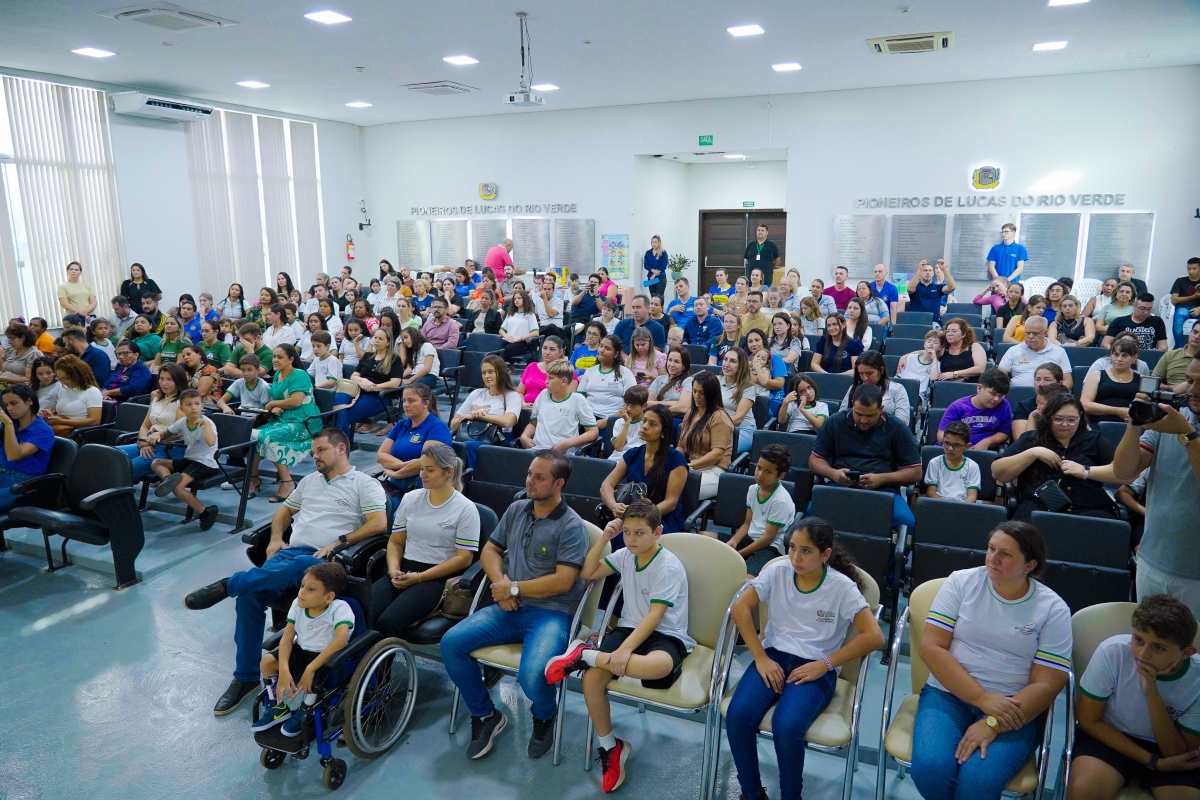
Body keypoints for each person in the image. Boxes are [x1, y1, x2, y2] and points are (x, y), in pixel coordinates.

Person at [183, 428, 387, 715]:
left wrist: (339, 542)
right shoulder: (310, 481)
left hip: (329, 560)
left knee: (300, 566)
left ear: (341, 449)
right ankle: (245, 677)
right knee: (249, 597)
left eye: (321, 450)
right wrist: (276, 538)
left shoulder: (364, 483)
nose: (315, 456)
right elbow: (284, 512)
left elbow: (379, 523)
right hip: (292, 554)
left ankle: (228, 584)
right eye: (313, 452)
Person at [439, 449, 589, 761]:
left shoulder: (571, 526)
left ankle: (545, 717)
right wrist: (502, 586)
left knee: (532, 675)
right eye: (529, 473)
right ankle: (486, 715)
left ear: (558, 484)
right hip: (511, 606)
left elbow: (564, 581)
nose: (529, 481)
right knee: (451, 644)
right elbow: (491, 551)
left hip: (552, 613)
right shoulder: (517, 508)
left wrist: (514, 587)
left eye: (539, 477)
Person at [725, 516, 883, 800]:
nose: (796, 557)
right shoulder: (778, 571)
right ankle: (752, 794)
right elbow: (740, 608)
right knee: (738, 717)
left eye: (806, 551)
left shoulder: (841, 587)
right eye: (792, 548)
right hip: (773, 656)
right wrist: (759, 657)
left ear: (825, 554)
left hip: (815, 666)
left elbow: (874, 636)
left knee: (787, 727)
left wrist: (825, 664)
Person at [910, 523, 1071, 800]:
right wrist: (982, 698)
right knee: (930, 769)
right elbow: (931, 648)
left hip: (1013, 707)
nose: (993, 559)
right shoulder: (961, 582)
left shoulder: (1053, 609)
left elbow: (1048, 683)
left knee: (978, 783)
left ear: (1029, 565)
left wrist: (993, 723)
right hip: (948, 694)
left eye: (1005, 554)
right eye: (991, 548)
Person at [543, 499, 694, 792]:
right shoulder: (625, 555)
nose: (632, 539)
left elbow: (655, 616)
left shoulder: (668, 565)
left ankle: (585, 655)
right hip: (627, 628)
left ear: (658, 532)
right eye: (627, 532)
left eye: (640, 533)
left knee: (659, 667)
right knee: (591, 680)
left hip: (666, 633)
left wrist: (624, 651)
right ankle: (610, 747)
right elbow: (588, 572)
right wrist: (604, 538)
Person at [1067, 593, 1200, 800]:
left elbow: (1177, 753)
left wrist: (1152, 695)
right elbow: (1089, 721)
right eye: (1138, 640)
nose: (1143, 654)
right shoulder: (1112, 652)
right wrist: (1153, 762)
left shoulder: (1197, 679)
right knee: (1084, 791)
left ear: (1186, 653)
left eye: (1158, 647)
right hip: (1110, 735)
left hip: (1167, 749)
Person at [1112, 353, 1200, 619]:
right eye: (1190, 381)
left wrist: (1186, 433)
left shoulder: (1179, 425)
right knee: (1147, 637)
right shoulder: (1174, 418)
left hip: (1195, 574)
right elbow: (1123, 471)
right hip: (1153, 559)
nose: (1193, 390)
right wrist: (1134, 423)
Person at [370, 441, 480, 646]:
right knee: (364, 612)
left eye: (430, 470)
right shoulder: (411, 498)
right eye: (421, 468)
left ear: (448, 472)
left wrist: (420, 577)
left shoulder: (465, 509)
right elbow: (395, 542)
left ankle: (380, 667)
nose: (422, 474)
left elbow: (464, 558)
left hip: (436, 577)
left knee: (388, 622)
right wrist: (393, 570)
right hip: (403, 570)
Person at [253, 561, 354, 736]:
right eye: (302, 586)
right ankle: (280, 705)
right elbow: (287, 638)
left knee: (315, 677)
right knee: (267, 662)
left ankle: (305, 712)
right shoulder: (298, 604)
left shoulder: (339, 608)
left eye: (311, 589)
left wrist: (310, 668)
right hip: (301, 650)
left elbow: (341, 640)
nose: (302, 592)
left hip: (326, 656)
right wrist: (284, 670)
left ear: (328, 597)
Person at [992, 393, 1124, 520]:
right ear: (1048, 417)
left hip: (1089, 506)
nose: (1065, 424)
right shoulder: (1031, 439)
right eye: (1058, 419)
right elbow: (998, 472)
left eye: (1071, 420)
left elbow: (1124, 473)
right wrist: (1033, 453)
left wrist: (1086, 471)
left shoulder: (1093, 439)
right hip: (1039, 506)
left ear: (1080, 417)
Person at [809, 384, 921, 531]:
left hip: (883, 490)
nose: (863, 420)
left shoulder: (897, 428)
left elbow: (915, 472)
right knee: (811, 514)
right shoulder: (835, 422)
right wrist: (833, 474)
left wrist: (881, 479)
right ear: (852, 405)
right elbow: (815, 460)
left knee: (906, 523)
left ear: (881, 409)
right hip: (840, 486)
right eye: (858, 414)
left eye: (869, 416)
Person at [600, 404, 688, 531]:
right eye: (644, 421)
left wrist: (640, 516)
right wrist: (614, 506)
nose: (645, 426)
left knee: (638, 535)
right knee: (614, 532)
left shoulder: (676, 459)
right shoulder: (633, 453)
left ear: (663, 432)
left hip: (661, 517)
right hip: (631, 515)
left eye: (653, 424)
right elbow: (606, 485)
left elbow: (671, 503)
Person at [713, 444, 795, 576]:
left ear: (781, 475)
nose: (760, 474)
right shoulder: (753, 489)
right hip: (750, 538)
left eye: (768, 472)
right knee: (702, 538)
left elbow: (767, 538)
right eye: (759, 467)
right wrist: (734, 540)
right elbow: (747, 523)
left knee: (748, 580)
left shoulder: (780, 501)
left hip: (769, 548)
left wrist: (739, 554)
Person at [148, 389, 220, 529]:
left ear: (202, 406)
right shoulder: (182, 422)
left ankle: (206, 513)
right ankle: (168, 479)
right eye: (189, 404)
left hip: (205, 463)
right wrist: (158, 435)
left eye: (197, 404)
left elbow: (211, 442)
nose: (193, 407)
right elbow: (166, 433)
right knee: (156, 463)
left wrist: (205, 424)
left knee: (178, 489)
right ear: (181, 408)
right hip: (190, 459)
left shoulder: (208, 423)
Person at [375, 384, 452, 493]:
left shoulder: (437, 427)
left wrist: (397, 474)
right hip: (395, 485)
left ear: (425, 403)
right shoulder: (401, 424)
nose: (406, 405)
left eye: (411, 401)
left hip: (422, 486)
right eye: (404, 401)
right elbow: (381, 455)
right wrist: (403, 465)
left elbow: (427, 462)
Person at [115, 362, 186, 479]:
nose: (164, 383)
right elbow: (145, 426)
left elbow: (180, 432)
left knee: (122, 468)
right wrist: (144, 443)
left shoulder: (182, 402)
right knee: (111, 454)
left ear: (178, 380)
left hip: (169, 448)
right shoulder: (156, 399)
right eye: (161, 379)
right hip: (148, 442)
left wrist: (155, 439)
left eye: (169, 379)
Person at [333, 328, 404, 439]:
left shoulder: (395, 359)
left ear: (388, 342)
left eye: (380, 339)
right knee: (338, 403)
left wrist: (373, 387)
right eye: (375, 338)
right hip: (357, 391)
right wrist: (363, 381)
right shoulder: (367, 356)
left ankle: (340, 445)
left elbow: (395, 383)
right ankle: (338, 442)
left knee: (344, 415)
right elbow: (354, 376)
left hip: (377, 397)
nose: (376, 341)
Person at [452, 355, 522, 468]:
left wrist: (480, 416)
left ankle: (468, 476)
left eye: (490, 372)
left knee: (466, 446)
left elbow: (508, 421)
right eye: (484, 373)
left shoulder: (512, 396)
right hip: (471, 434)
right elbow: (453, 425)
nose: (486, 376)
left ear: (501, 372)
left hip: (498, 439)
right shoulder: (476, 393)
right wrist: (467, 416)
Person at [678, 370, 734, 500]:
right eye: (694, 391)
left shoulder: (719, 416)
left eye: (702, 393)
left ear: (711, 394)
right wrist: (675, 462)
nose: (696, 396)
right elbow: (681, 446)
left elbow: (717, 454)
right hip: (692, 468)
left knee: (678, 487)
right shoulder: (691, 413)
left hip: (713, 471)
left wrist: (689, 467)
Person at [0, 384, 55, 513]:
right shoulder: (13, 426)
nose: (9, 408)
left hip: (23, 485)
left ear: (29, 401)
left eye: (14, 403)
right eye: (6, 405)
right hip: (3, 474)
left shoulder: (44, 430)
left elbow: (14, 455)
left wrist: (7, 423)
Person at [937, 368, 1013, 450]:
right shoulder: (958, 406)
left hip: (984, 451)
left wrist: (988, 441)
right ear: (979, 388)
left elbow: (1004, 433)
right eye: (993, 393)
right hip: (954, 450)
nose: (996, 399)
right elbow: (941, 434)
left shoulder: (1004, 405)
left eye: (1001, 395)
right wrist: (958, 446)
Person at [578, 336, 637, 428]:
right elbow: (580, 398)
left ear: (616, 354)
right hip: (587, 419)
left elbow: (631, 403)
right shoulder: (589, 371)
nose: (601, 350)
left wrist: (607, 421)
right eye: (601, 346)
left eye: (607, 348)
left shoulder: (625, 373)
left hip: (614, 420)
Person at [999, 317, 1074, 389]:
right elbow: (999, 376)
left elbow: (1068, 380)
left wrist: (1057, 393)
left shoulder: (1059, 352)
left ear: (1045, 333)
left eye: (1035, 333)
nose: (1030, 336)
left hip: (1049, 394)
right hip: (1017, 393)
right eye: (1027, 333)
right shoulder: (1013, 350)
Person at [843, 350, 912, 427]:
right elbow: (842, 415)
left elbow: (902, 422)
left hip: (886, 432)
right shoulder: (855, 387)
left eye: (869, 373)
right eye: (861, 373)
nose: (865, 378)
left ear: (881, 370)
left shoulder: (897, 389)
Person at [1081, 337, 1141, 424]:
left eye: (1124, 355)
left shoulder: (1142, 379)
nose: (1119, 359)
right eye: (1116, 355)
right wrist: (1118, 411)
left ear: (1134, 357)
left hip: (1130, 425)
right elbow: (1085, 404)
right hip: (1097, 423)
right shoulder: (1096, 375)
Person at [39, 354, 101, 437]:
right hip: (60, 429)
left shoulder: (92, 391)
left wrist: (62, 422)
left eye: (66, 378)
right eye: (60, 379)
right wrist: (50, 415)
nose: (63, 382)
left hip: (77, 433)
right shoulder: (65, 390)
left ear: (77, 375)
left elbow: (95, 421)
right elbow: (58, 412)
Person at [924, 422, 982, 503]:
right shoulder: (934, 463)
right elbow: (931, 493)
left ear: (966, 447)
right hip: (938, 504)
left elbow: (972, 497)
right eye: (947, 443)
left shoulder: (972, 466)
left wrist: (960, 508)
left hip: (963, 506)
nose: (950, 449)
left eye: (957, 445)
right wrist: (945, 507)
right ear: (942, 441)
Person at [718, 348, 759, 453]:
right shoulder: (716, 381)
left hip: (742, 429)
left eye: (733, 361)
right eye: (725, 359)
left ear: (741, 365)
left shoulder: (748, 387)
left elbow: (738, 419)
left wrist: (713, 423)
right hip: (719, 427)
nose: (727, 364)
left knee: (720, 450)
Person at [1102, 295, 1169, 353]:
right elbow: (1105, 343)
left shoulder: (1157, 321)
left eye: (1149, 309)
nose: (1145, 312)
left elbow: (1163, 346)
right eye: (1142, 309)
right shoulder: (1119, 321)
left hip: (1148, 355)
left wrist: (1157, 352)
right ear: (1134, 306)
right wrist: (1117, 353)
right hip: (1124, 355)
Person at [516, 336, 569, 406]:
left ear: (560, 352)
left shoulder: (566, 371)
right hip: (526, 408)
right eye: (544, 348)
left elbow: (568, 398)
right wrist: (523, 404)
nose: (547, 352)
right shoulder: (531, 367)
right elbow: (520, 392)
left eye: (552, 349)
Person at [648, 346, 694, 417]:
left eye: (676, 362)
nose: (671, 365)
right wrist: (675, 403)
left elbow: (683, 407)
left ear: (684, 365)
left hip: (676, 419)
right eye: (670, 360)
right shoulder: (659, 379)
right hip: (655, 417)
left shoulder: (688, 381)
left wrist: (658, 407)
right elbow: (648, 403)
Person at [607, 385, 648, 462]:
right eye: (627, 404)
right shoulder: (619, 422)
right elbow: (618, 448)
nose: (628, 408)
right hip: (618, 458)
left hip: (639, 458)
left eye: (634, 406)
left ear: (644, 406)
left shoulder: (648, 423)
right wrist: (627, 423)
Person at [897, 331, 945, 397]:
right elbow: (898, 376)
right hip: (900, 391)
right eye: (929, 341)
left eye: (935, 342)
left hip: (918, 394)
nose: (931, 344)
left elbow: (933, 378)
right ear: (924, 344)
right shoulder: (911, 358)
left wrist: (934, 358)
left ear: (940, 347)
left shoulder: (936, 364)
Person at [1154, 322, 1200, 390]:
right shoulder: (1170, 355)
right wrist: (1169, 387)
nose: (1197, 337)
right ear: (1190, 333)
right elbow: (1152, 382)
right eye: (1195, 332)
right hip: (1170, 394)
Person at [499, 289, 540, 361]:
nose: (516, 300)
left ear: (525, 299)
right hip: (508, 340)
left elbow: (535, 332)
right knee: (494, 347)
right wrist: (506, 336)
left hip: (522, 342)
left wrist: (519, 338)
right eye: (515, 299)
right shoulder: (511, 314)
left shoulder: (530, 315)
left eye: (519, 298)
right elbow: (501, 330)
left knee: (503, 351)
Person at [1168, 258, 1200, 345]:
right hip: (1183, 308)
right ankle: (1180, 348)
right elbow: (1174, 299)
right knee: (1178, 320)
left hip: (1198, 308)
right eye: (1189, 268)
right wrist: (1193, 297)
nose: (1191, 271)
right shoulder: (1180, 281)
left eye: (1194, 268)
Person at [0, 322, 39, 388]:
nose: (9, 342)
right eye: (8, 338)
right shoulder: (10, 351)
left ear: (22, 338)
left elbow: (28, 379)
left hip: (20, 389)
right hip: (4, 385)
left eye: (12, 338)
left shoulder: (33, 354)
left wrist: (5, 379)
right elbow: (3, 371)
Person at [532, 276, 565, 341]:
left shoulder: (559, 301)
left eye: (549, 289)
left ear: (553, 290)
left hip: (556, 328)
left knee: (551, 327)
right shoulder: (538, 301)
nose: (546, 291)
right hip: (543, 326)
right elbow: (537, 316)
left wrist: (544, 299)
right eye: (544, 289)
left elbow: (551, 314)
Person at [643, 235, 668, 299]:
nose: (654, 244)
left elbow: (664, 265)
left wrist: (654, 274)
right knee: (653, 297)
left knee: (659, 297)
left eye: (655, 242)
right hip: (651, 278)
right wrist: (653, 271)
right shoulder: (648, 253)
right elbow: (646, 265)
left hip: (660, 278)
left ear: (659, 243)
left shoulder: (663, 253)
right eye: (652, 242)